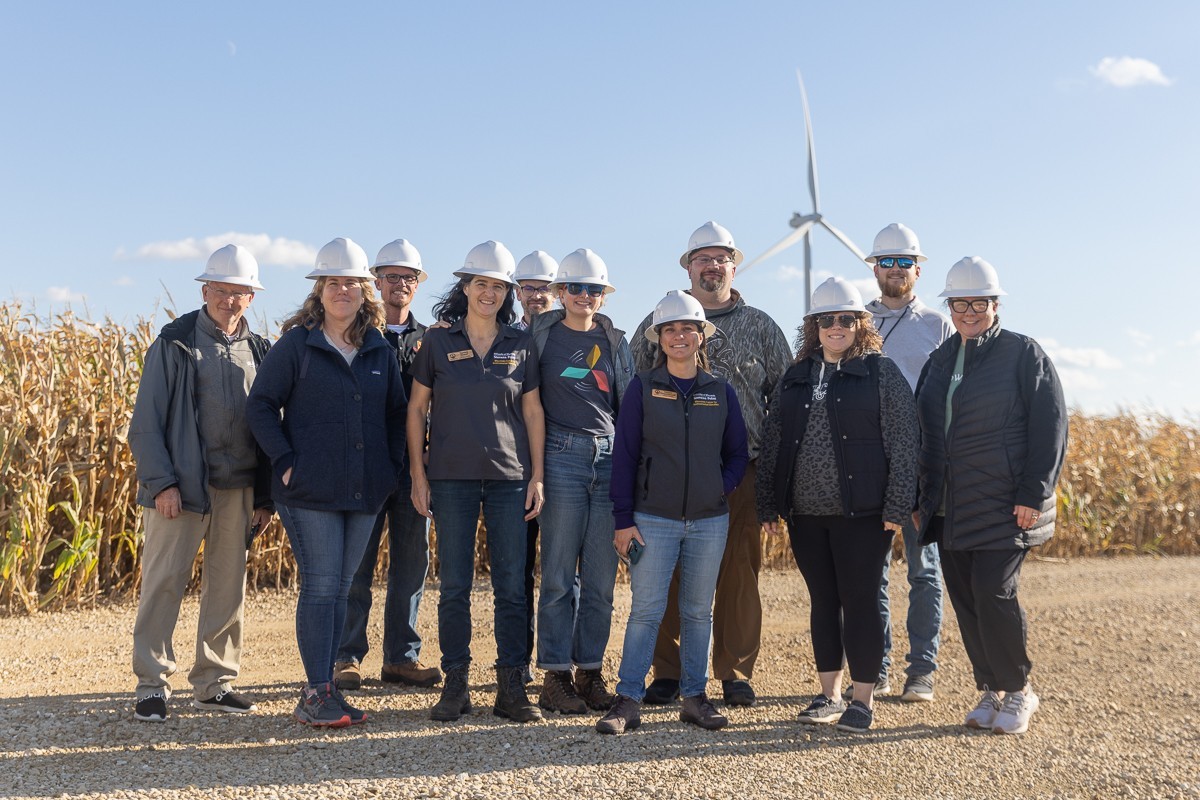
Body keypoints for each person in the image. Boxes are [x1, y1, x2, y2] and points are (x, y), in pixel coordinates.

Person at [246, 237, 407, 728]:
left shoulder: (379, 346)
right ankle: (314, 694)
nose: (342, 290)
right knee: (319, 587)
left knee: (339, 588)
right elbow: (259, 406)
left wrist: (389, 470)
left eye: (351, 283)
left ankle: (328, 688)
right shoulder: (298, 344)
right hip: (308, 489)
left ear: (364, 292)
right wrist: (286, 459)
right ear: (319, 292)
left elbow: (398, 414)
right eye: (333, 282)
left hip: (363, 490)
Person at [631, 221, 791, 707]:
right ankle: (668, 670)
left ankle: (735, 671)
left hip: (741, 472)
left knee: (738, 573)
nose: (712, 265)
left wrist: (773, 483)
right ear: (688, 266)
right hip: (668, 471)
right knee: (667, 571)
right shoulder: (658, 319)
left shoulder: (761, 325)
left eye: (721, 257)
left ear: (734, 265)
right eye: (702, 258)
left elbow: (782, 402)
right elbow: (632, 383)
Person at [756, 277, 918, 734]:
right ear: (814, 326)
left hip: (863, 514)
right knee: (823, 601)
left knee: (861, 601)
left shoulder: (881, 373)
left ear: (859, 323)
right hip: (805, 514)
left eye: (845, 319)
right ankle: (827, 694)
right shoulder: (797, 374)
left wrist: (898, 503)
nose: (836, 327)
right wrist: (768, 502)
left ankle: (861, 700)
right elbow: (773, 441)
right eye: (826, 319)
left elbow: (905, 442)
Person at [913, 257, 1068, 735]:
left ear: (995, 304)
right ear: (950, 306)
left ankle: (1019, 690)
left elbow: (1051, 426)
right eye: (959, 304)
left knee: (994, 591)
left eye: (978, 303)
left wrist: (1033, 492)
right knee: (965, 598)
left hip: (1005, 502)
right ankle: (990, 690)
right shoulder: (940, 361)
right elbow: (924, 433)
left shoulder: (1023, 353)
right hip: (949, 505)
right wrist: (921, 498)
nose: (968, 312)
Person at [129, 244, 273, 722]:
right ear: (205, 289)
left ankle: (215, 681)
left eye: (240, 293)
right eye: (221, 290)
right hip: (180, 489)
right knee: (164, 583)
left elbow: (270, 423)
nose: (229, 301)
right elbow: (146, 422)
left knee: (227, 588)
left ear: (251, 297)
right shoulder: (174, 342)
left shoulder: (259, 349)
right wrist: (162, 483)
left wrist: (265, 497)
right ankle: (151, 683)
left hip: (238, 489)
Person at [407, 240, 546, 724]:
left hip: (510, 480)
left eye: (498, 286)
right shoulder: (437, 342)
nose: (489, 293)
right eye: (481, 283)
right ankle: (456, 685)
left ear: (507, 292)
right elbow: (416, 409)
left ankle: (512, 688)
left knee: (512, 586)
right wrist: (418, 475)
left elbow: (532, 412)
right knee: (454, 588)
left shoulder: (520, 343)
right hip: (451, 480)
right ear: (465, 287)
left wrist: (538, 477)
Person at [599, 291, 748, 735]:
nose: (679, 336)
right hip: (652, 520)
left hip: (709, 521)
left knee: (698, 611)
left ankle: (694, 698)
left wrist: (714, 487)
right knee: (646, 611)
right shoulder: (643, 389)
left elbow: (738, 454)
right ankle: (627, 700)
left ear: (702, 336)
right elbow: (623, 457)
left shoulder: (721, 391)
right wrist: (623, 519)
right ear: (659, 339)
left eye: (687, 328)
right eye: (670, 330)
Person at [528, 249, 633, 715]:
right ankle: (554, 675)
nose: (584, 297)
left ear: (603, 296)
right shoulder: (539, 336)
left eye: (593, 290)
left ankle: (590, 672)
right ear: (560, 292)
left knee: (600, 579)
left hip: (608, 458)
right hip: (560, 456)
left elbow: (629, 409)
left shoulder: (615, 342)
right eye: (575, 288)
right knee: (556, 577)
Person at [333, 239, 440, 692]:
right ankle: (346, 657)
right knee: (356, 564)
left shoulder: (432, 340)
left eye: (408, 277)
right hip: (366, 466)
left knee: (412, 564)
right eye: (391, 276)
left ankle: (401, 657)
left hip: (415, 468)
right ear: (375, 282)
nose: (400, 284)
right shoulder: (357, 335)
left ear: (418, 285)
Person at [864, 223, 954, 702]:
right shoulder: (856, 321)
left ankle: (921, 671)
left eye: (903, 263)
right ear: (873, 268)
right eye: (886, 262)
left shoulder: (938, 325)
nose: (894, 270)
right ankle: (874, 669)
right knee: (871, 574)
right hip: (869, 466)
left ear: (918, 269)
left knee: (924, 570)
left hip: (921, 467)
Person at [513, 250, 559, 682]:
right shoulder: (505, 338)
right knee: (520, 567)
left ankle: (559, 662)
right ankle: (521, 659)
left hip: (563, 467)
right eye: (528, 288)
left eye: (544, 288)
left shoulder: (572, 336)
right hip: (516, 470)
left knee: (563, 570)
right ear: (517, 292)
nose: (536, 295)